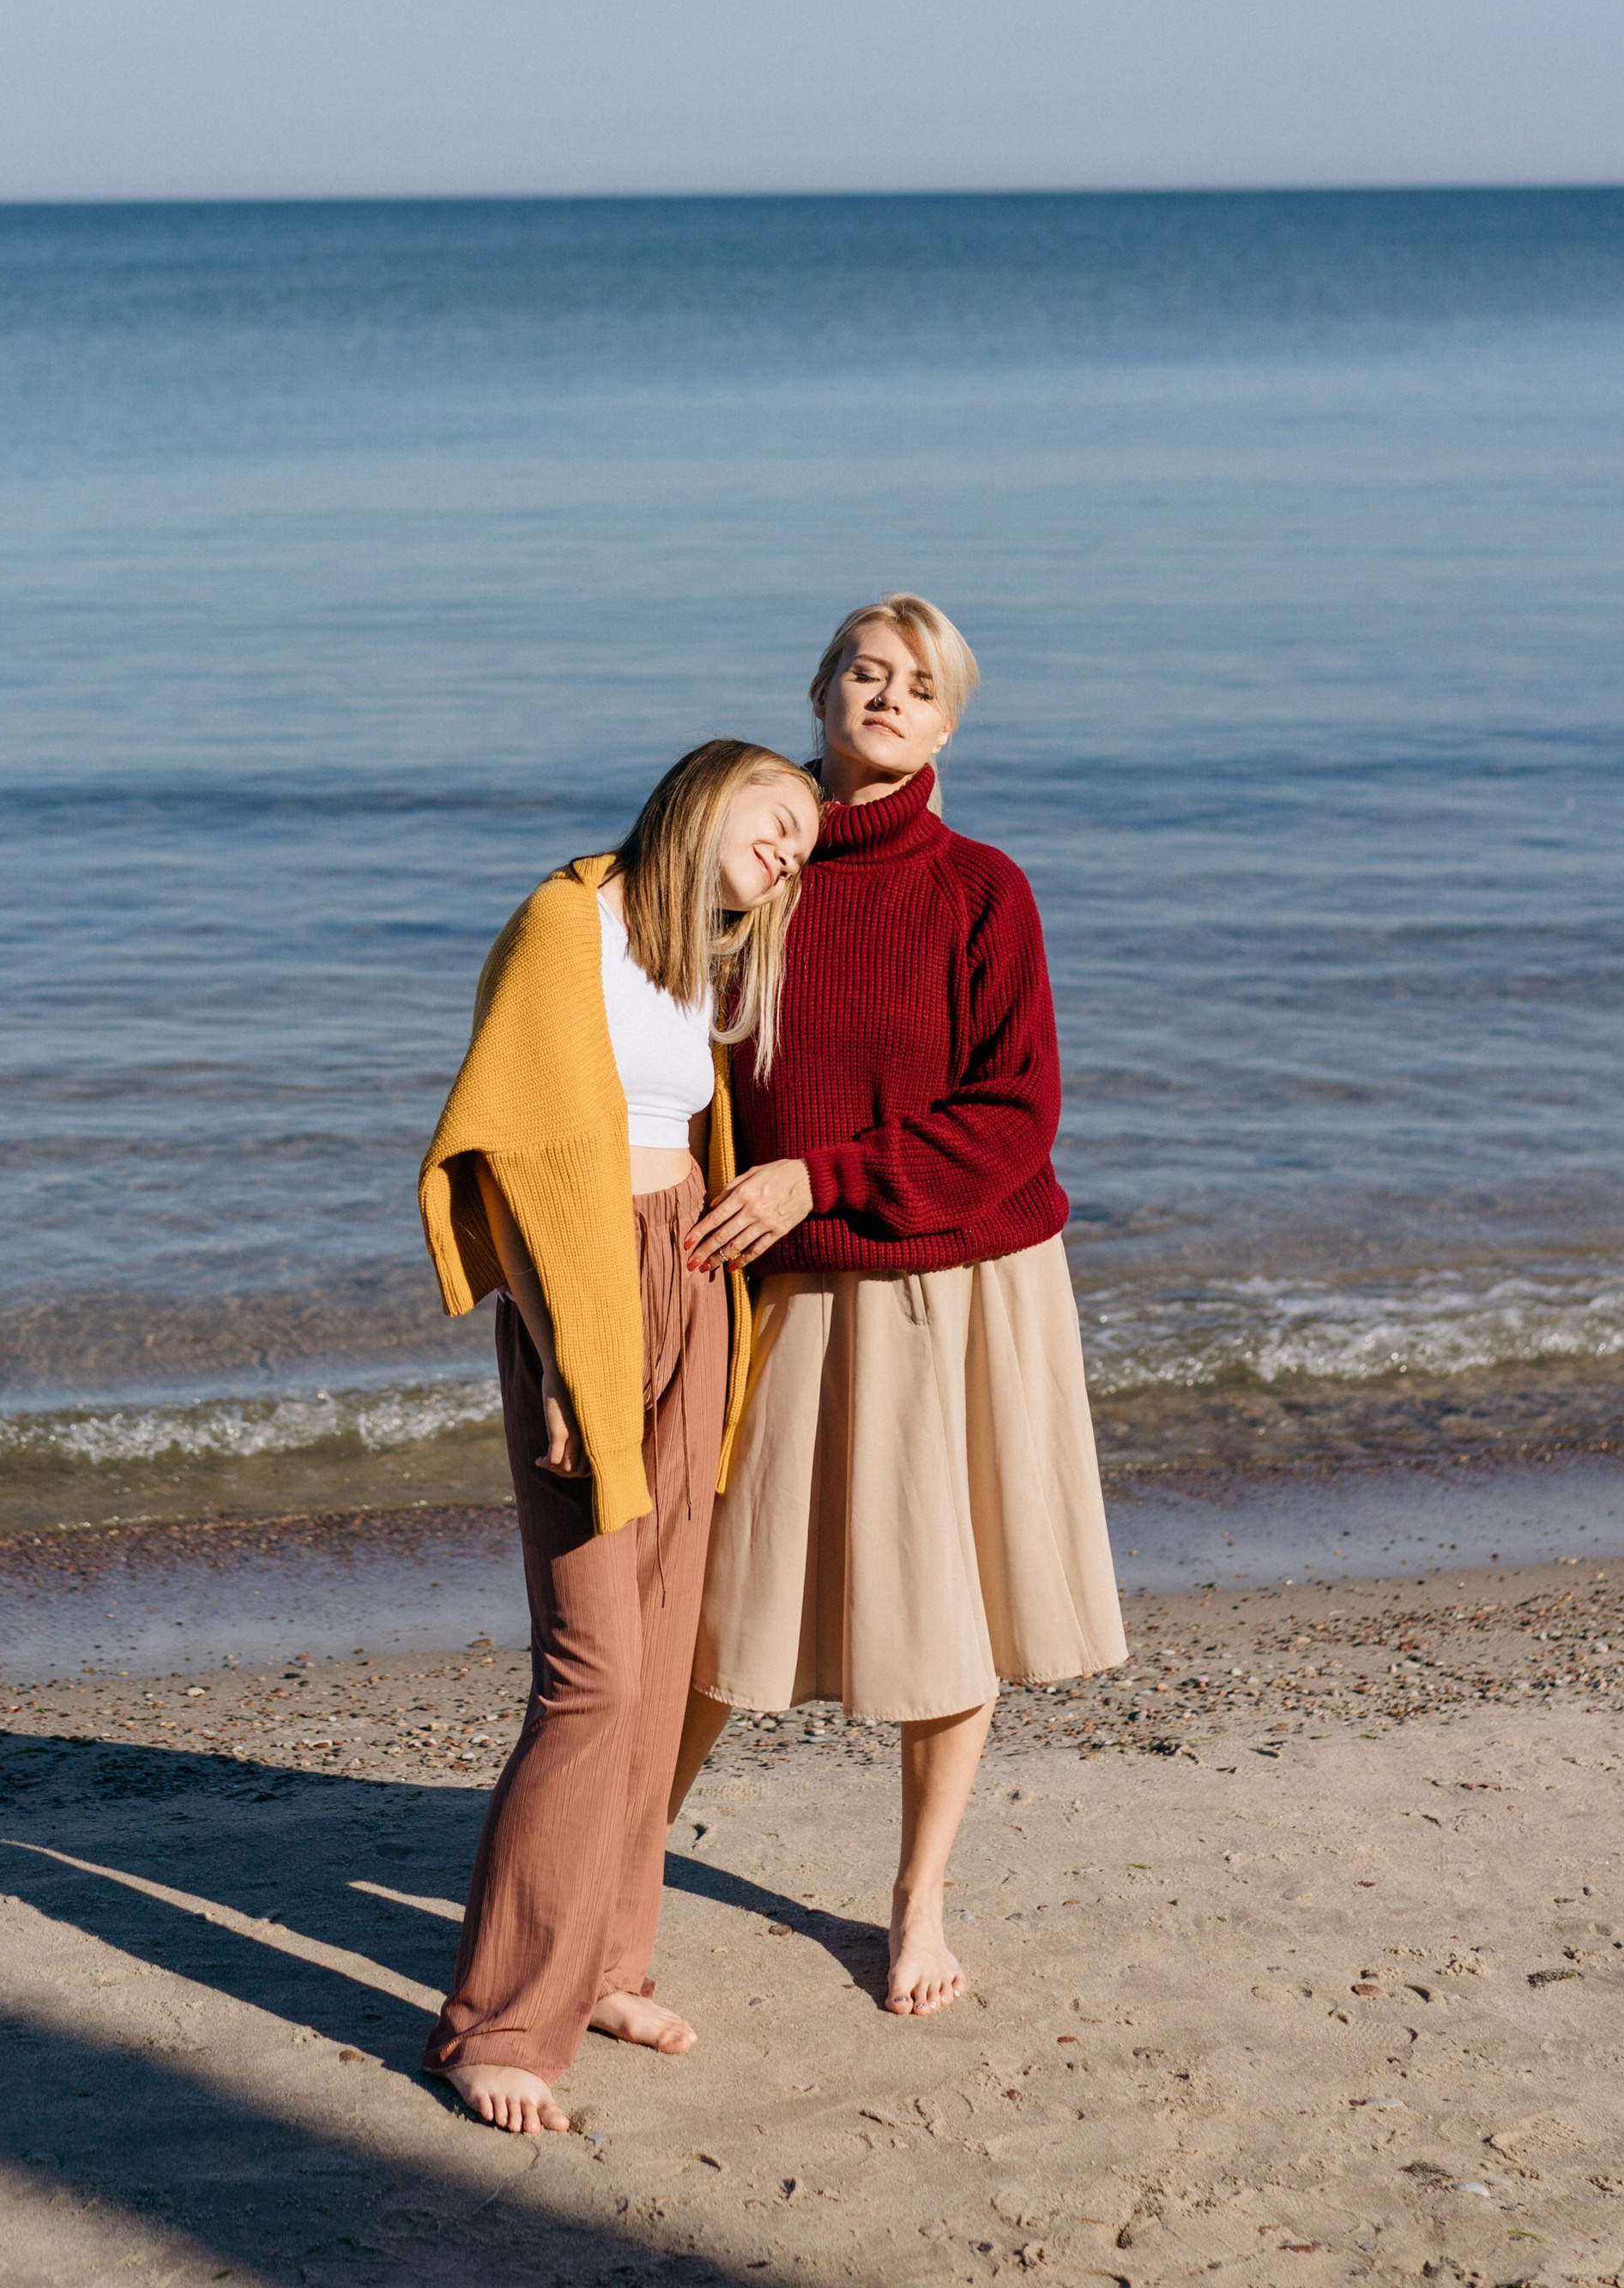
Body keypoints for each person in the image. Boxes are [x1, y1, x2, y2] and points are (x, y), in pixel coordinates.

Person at [677, 597, 1125, 2018]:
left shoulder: (982, 888)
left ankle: (917, 1899)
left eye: (917, 685)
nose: (887, 695)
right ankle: (617, 1875)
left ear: (946, 725)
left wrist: (824, 1177)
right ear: (819, 695)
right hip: (783, 1287)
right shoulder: (746, 873)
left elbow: (1017, 1119)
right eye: (865, 672)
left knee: (947, 1601)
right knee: (716, 1613)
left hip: (957, 1283)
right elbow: (666, 1070)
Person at [417, 738, 821, 2134]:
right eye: (777, 819)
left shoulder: (701, 956)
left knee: (658, 1667)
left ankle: (603, 1967)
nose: (787, 852)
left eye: (807, 844)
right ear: (707, 794)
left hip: (692, 1289)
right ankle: (496, 2025)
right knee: (591, 1671)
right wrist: (560, 1352)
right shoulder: (564, 921)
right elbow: (499, 1151)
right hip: (584, 1301)